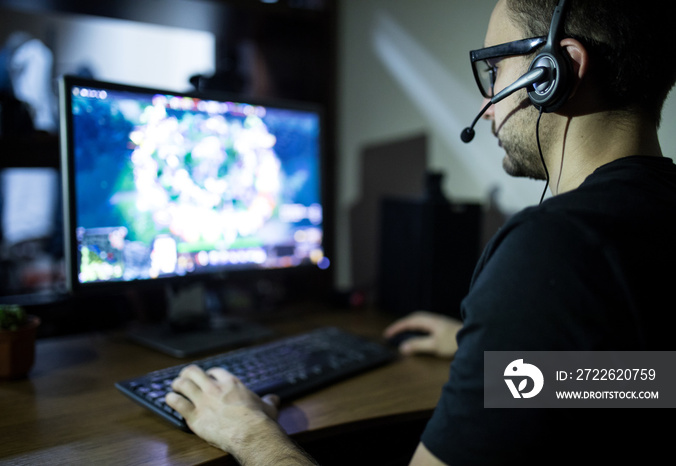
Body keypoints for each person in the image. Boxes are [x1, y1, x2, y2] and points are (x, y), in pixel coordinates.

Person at [165, 0, 676, 464]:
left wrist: (250, 432)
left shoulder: (553, 250)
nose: (491, 103)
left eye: (495, 69)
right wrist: (499, 353)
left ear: (556, 70)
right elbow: (651, 381)